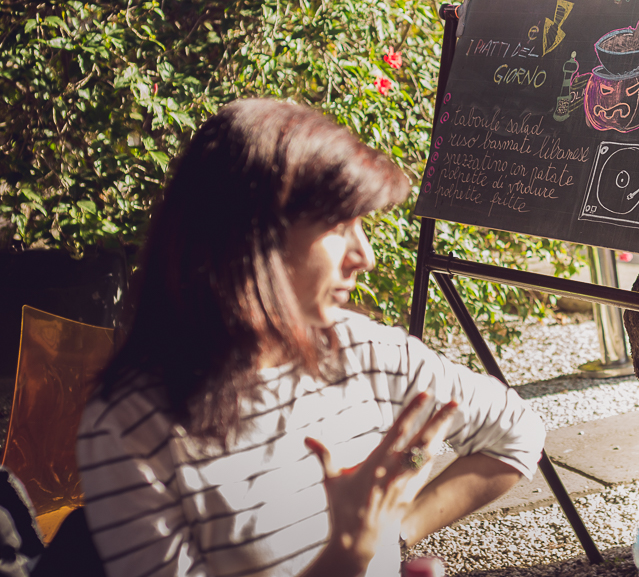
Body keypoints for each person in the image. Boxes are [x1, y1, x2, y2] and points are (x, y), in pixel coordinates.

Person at [76, 99, 546, 577]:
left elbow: (518, 433)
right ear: (253, 236)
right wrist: (350, 551)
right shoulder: (128, 426)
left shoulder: (368, 353)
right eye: (340, 225)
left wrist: (391, 532)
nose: (366, 256)